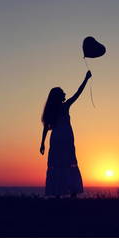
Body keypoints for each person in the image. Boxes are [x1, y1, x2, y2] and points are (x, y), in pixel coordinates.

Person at [40, 70, 92, 198]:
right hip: (66, 139)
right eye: (63, 93)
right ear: (59, 96)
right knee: (68, 163)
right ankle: (72, 193)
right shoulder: (64, 106)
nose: (65, 94)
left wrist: (42, 143)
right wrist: (86, 79)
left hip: (57, 139)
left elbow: (46, 128)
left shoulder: (51, 110)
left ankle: (58, 193)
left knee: (58, 164)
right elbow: (78, 93)